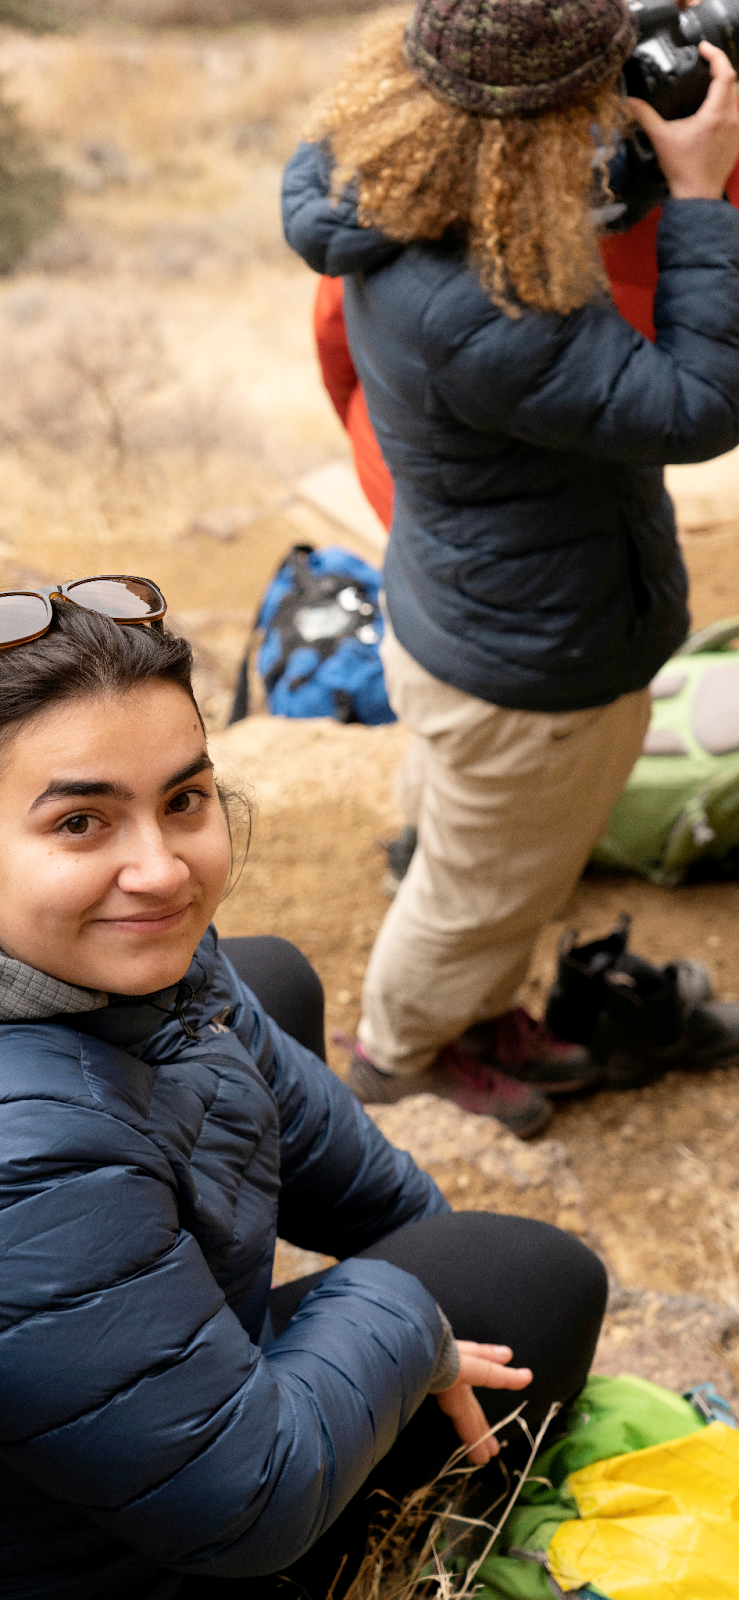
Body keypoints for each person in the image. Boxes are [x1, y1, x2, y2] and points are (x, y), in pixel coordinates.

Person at [0, 580, 607, 1599]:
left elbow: (244, 1051)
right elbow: (251, 1502)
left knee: (263, 976)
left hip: (2, 1431)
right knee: (535, 1285)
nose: (161, 869)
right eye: (80, 821)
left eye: (182, 800)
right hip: (20, 1570)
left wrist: (415, 1238)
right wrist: (406, 1317)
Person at [282, 0, 739, 1138]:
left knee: (471, 854)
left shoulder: (391, 173)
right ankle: (400, 1056)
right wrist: (696, 196)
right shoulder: (482, 305)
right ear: (533, 134)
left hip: (462, 611)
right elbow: (691, 404)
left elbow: (538, 197)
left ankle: (474, 1011)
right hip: (535, 669)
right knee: (480, 895)